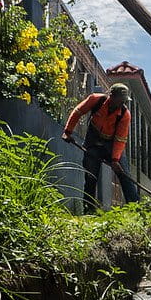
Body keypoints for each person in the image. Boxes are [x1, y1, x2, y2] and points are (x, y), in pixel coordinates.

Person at [61, 83, 139, 213]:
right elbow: (77, 112)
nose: (122, 103)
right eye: (120, 100)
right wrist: (68, 131)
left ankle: (136, 210)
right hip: (93, 142)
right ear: (111, 96)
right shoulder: (95, 100)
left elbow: (120, 139)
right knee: (91, 177)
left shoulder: (125, 114)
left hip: (112, 145)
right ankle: (89, 211)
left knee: (125, 176)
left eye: (124, 101)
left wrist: (114, 160)